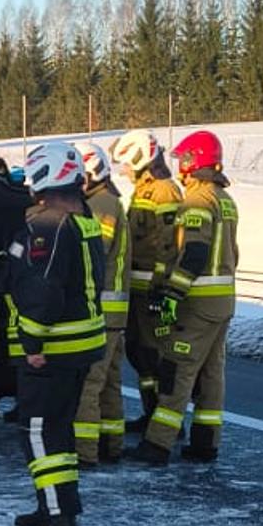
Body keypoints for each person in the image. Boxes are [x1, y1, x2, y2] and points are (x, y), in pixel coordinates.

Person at [4, 142, 107, 526]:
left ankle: (56, 514)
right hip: (80, 345)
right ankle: (59, 504)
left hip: (52, 350)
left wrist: (30, 343)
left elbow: (43, 292)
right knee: (59, 432)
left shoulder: (47, 225)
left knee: (36, 430)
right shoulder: (84, 220)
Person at [136, 130, 238, 465]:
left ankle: (157, 446)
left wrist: (171, 294)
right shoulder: (225, 199)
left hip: (199, 303)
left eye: (184, 159)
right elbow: (231, 254)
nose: (180, 165)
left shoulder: (196, 201)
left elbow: (193, 253)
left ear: (195, 161)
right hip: (223, 302)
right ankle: (206, 443)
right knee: (212, 374)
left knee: (176, 371)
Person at [110, 130, 183, 436]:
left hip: (152, 287)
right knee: (140, 353)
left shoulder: (164, 190)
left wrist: (161, 284)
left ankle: (165, 422)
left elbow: (170, 242)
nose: (123, 170)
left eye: (125, 164)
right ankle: (150, 411)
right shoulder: (143, 190)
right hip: (138, 287)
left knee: (157, 355)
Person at [72, 141, 131, 466]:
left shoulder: (102, 204)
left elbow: (97, 251)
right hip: (114, 310)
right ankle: (111, 443)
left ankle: (85, 452)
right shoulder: (104, 199)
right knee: (109, 383)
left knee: (90, 384)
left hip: (103, 308)